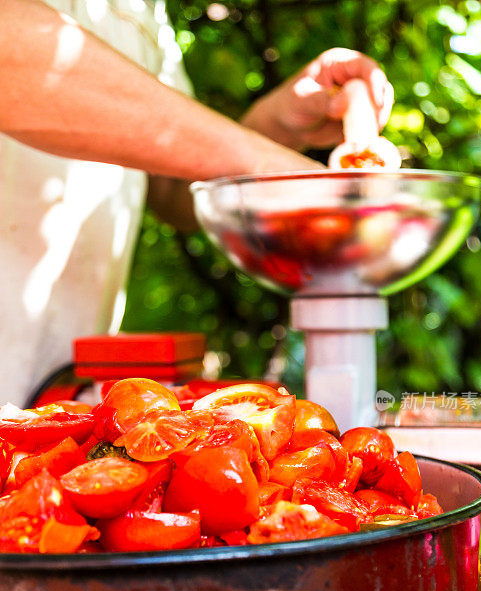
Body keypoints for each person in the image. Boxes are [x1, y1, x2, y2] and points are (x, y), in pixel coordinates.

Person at [0, 0, 394, 407]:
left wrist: (274, 127)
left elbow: (173, 186)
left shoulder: (146, 9)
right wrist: (265, 162)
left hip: (57, 393)